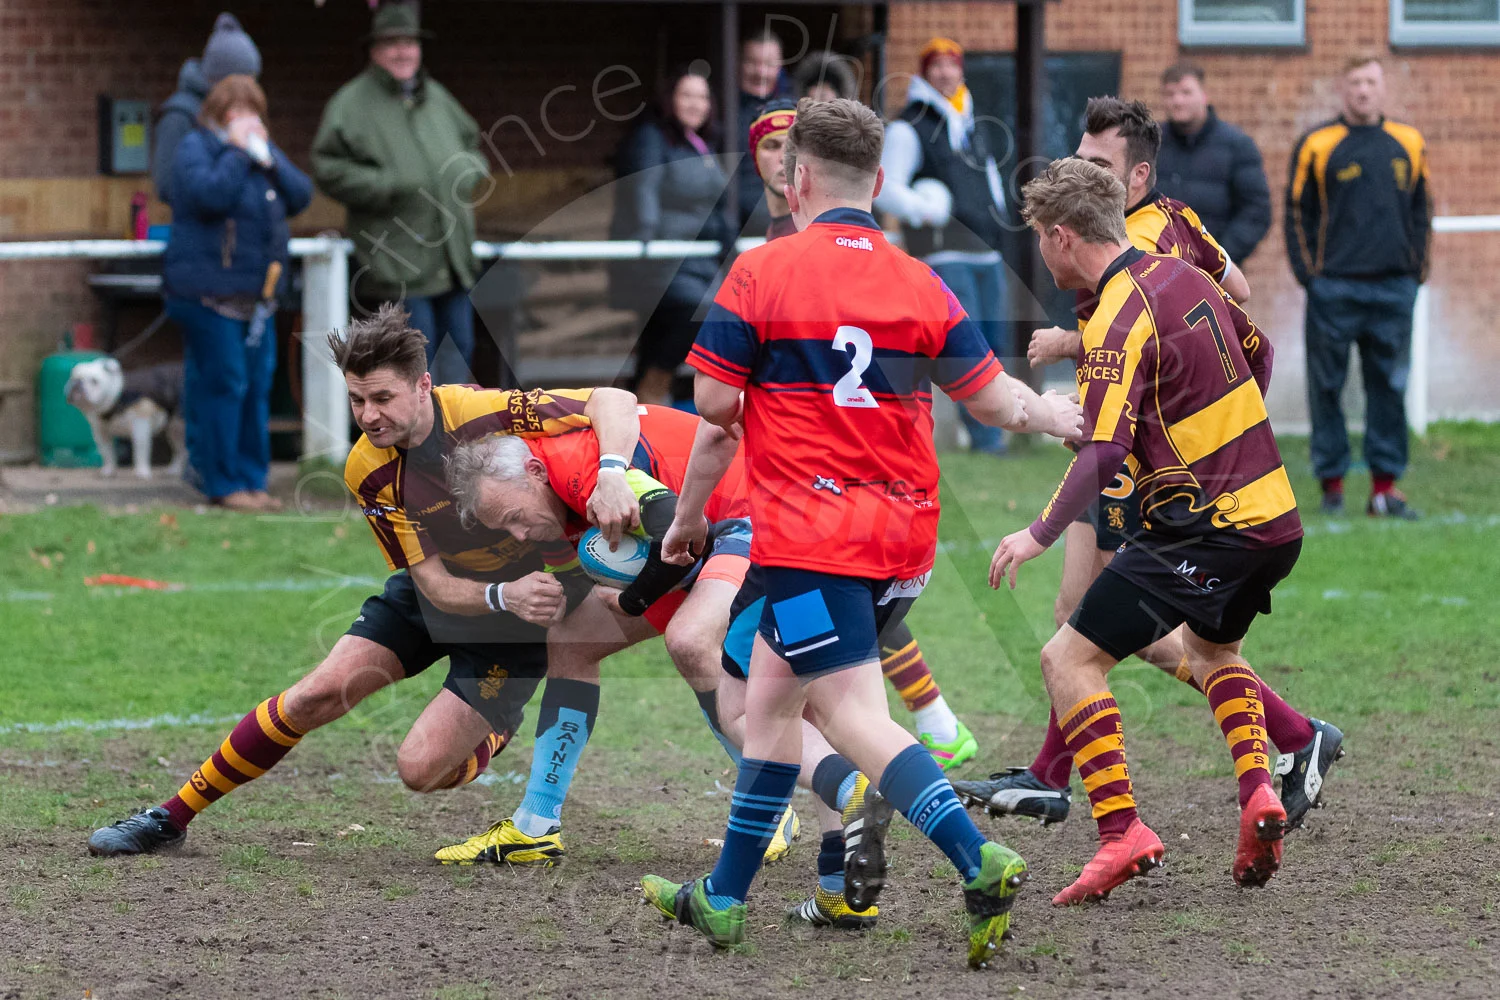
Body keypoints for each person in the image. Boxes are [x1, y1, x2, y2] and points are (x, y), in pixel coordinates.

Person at [638, 98, 1084, 967]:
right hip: (904, 540)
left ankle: (978, 859)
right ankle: (725, 897)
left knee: (844, 713)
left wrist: (687, 520)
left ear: (797, 178)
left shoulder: (760, 273)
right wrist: (1051, 414)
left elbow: (716, 410)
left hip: (812, 538)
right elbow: (993, 402)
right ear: (878, 181)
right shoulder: (920, 281)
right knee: (768, 704)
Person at [86, 306, 643, 858]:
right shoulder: (368, 469)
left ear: (423, 386)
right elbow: (432, 584)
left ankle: (491, 729)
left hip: (518, 624)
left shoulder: (481, 413)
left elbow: (613, 400)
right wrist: (501, 593)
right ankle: (170, 817)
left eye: (382, 398)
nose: (369, 415)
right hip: (446, 595)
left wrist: (613, 475)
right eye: (357, 400)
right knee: (315, 694)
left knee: (421, 770)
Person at [960, 98, 1341, 834]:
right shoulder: (1178, 220)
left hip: (1142, 461)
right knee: (1081, 612)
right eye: (1079, 157)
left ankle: (1292, 736)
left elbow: (1139, 331)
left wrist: (1087, 356)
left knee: (1112, 627)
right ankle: (1051, 774)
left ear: (1136, 175)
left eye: (1097, 164)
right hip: (1130, 441)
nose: (1082, 172)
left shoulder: (1124, 245)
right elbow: (1237, 296)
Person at [752, 99, 981, 769]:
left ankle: (881, 767)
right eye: (768, 147)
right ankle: (917, 733)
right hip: (834, 473)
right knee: (819, 633)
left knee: (797, 651)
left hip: (819, 474)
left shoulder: (793, 250)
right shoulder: (779, 243)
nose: (780, 160)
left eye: (787, 147)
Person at [311, 1, 487, 387]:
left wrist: (469, 171)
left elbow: (473, 145)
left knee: (460, 354)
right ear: (374, 50)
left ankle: (452, 429)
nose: (402, 52)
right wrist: (385, 184)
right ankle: (416, 430)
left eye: (409, 42)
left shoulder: (437, 98)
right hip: (398, 265)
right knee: (415, 366)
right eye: (392, 43)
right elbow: (326, 167)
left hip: (452, 258)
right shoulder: (350, 105)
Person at [1286, 55, 1431, 520]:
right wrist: (1311, 277)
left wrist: (1415, 273)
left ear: (1382, 88)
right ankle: (1332, 486)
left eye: (1370, 82)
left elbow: (1422, 212)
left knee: (1388, 387)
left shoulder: (1408, 142)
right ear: (1343, 89)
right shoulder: (1317, 144)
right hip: (1334, 290)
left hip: (1393, 289)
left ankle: (1384, 490)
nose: (1363, 91)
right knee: (1326, 387)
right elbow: (1297, 213)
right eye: (1355, 83)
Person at [162, 74, 312, 512]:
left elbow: (301, 195)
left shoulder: (260, 154)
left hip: (256, 299)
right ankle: (222, 482)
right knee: (224, 384)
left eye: (252, 112)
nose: (246, 121)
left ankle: (252, 480)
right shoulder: (196, 148)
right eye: (237, 112)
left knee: (256, 385)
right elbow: (210, 196)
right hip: (207, 296)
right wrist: (236, 151)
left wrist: (272, 160)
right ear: (219, 113)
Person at [875, 38, 1012, 456]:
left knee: (996, 343)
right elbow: (886, 188)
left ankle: (1002, 426)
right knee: (966, 347)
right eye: (936, 65)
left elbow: (991, 180)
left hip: (987, 251)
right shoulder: (908, 126)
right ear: (924, 72)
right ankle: (986, 440)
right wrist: (925, 210)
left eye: (952, 64)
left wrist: (1000, 217)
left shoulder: (972, 122)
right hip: (944, 253)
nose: (945, 73)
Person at [607, 66, 730, 405]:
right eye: (686, 95)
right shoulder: (652, 137)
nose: (695, 104)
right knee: (699, 312)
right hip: (664, 259)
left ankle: (639, 403)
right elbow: (643, 190)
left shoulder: (702, 143)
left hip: (700, 259)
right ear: (669, 99)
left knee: (656, 338)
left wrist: (724, 232)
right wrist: (646, 240)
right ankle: (654, 385)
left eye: (702, 97)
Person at [1156, 63, 1272, 265]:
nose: (1178, 101)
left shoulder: (1237, 145)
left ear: (1204, 95)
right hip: (1157, 268)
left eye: (1186, 92)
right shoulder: (1151, 144)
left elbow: (1256, 211)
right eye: (1170, 94)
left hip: (1213, 273)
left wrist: (1218, 256)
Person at [152, 12, 262, 205]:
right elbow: (166, 185)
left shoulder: (235, 115)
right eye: (245, 83)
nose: (249, 92)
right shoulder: (179, 116)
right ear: (222, 79)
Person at [735, 31, 794, 232]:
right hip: (736, 225)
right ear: (738, 63)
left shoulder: (795, 111)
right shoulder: (721, 110)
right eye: (752, 62)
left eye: (769, 64)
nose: (760, 72)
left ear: (780, 67)